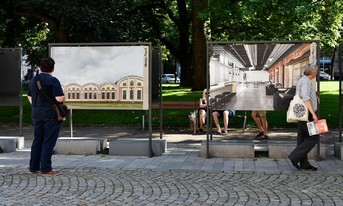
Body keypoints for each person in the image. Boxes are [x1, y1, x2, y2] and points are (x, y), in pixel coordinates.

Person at [27, 57, 65, 176]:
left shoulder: (34, 80)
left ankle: (33, 167)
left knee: (37, 140)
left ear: (40, 67)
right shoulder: (53, 80)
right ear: (52, 68)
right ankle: (46, 169)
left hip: (36, 113)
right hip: (50, 114)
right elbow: (59, 98)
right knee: (48, 141)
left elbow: (30, 97)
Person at [288, 64, 319, 171]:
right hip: (307, 114)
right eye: (316, 72)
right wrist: (313, 114)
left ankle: (304, 163)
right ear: (313, 72)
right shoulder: (305, 81)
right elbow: (305, 98)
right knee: (314, 137)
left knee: (302, 138)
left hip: (302, 113)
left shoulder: (303, 80)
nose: (317, 74)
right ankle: (294, 156)